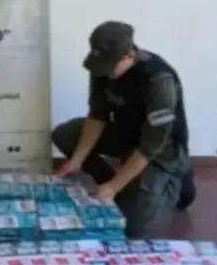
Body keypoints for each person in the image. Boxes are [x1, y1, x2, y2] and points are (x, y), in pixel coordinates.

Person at [52, 21, 195, 238]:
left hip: (161, 150)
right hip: (125, 134)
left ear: (129, 55)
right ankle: (117, 184)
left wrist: (113, 188)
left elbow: (150, 146)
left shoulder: (159, 81)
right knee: (64, 134)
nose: (104, 72)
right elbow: (97, 116)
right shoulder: (102, 67)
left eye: (109, 67)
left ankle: (177, 182)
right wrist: (76, 161)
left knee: (131, 225)